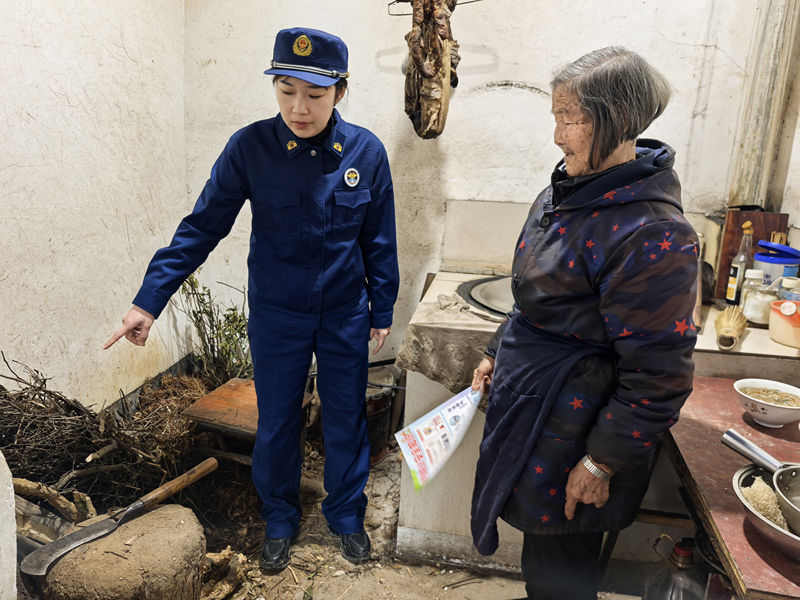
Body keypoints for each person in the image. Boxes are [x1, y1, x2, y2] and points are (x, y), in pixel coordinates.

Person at [104, 27, 399, 572]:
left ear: (340, 89)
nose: (299, 107)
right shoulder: (251, 148)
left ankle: (346, 517)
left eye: (313, 94)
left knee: (343, 418)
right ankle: (281, 520)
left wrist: (382, 307)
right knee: (280, 421)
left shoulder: (366, 151)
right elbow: (201, 226)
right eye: (286, 90)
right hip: (278, 315)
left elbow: (379, 239)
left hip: (343, 315)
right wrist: (149, 301)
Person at [469, 47, 698, 599]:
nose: (557, 135)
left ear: (616, 120)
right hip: (539, 417)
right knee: (544, 565)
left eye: (570, 118)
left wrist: (601, 462)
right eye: (556, 115)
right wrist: (498, 351)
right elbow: (534, 295)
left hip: (581, 434)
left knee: (562, 576)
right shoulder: (564, 192)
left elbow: (658, 375)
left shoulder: (652, 233)